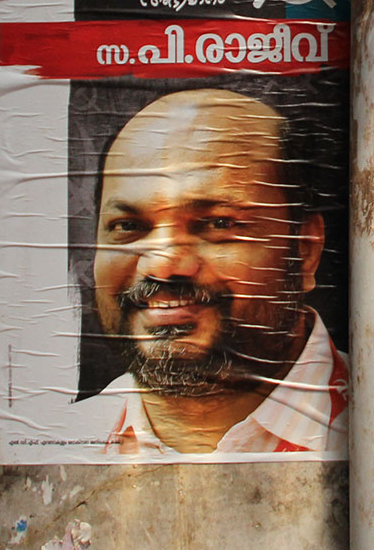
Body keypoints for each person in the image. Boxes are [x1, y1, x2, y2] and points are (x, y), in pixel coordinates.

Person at [87, 87, 347, 456]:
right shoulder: (55, 446)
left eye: (217, 223)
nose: (161, 265)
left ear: (304, 250)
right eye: (129, 226)